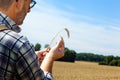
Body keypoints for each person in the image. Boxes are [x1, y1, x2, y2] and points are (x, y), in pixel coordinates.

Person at [0, 0, 64, 80]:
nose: (29, 9)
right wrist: (50, 57)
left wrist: (29, 57)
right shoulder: (19, 44)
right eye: (29, 3)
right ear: (19, 2)